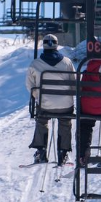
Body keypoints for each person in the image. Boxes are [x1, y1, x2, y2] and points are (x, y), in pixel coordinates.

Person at [24, 34, 74, 164]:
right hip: (65, 105)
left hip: (45, 105)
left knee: (41, 119)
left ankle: (41, 151)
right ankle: (63, 152)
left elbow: (30, 86)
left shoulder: (35, 64)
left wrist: (39, 98)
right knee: (65, 121)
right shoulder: (67, 62)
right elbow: (74, 83)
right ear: (57, 45)